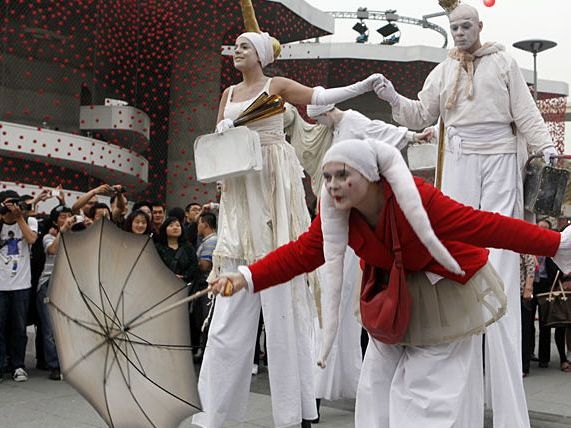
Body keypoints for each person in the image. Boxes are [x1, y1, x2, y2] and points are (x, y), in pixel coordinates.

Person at [208, 138, 571, 428]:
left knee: (429, 394)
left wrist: (556, 244)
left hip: (445, 291)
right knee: (375, 388)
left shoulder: (417, 198)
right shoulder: (336, 212)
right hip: (390, 295)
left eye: (342, 175)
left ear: (370, 175)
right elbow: (302, 253)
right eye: (327, 177)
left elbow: (485, 226)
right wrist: (245, 277)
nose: (333, 185)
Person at [193, 1, 386, 426]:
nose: (236, 50)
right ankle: (213, 414)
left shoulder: (276, 84)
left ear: (261, 54)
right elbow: (215, 142)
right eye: (235, 46)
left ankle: (294, 410)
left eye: (244, 46)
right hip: (239, 187)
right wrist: (221, 133)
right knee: (228, 318)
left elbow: (317, 98)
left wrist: (361, 86)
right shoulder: (228, 94)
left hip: (272, 186)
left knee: (282, 308)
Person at [373, 3, 558, 427]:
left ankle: (511, 412)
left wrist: (546, 145)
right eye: (453, 27)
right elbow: (422, 114)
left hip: (499, 159)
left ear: (480, 26)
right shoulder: (442, 71)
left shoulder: (505, 63)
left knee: (500, 261)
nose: (458, 32)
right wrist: (392, 99)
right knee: (457, 260)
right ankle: (460, 408)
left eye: (465, 26)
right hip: (458, 159)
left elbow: (526, 112)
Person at [0, 190, 38, 383]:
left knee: (19, 328)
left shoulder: (29, 221)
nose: (12, 207)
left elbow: (32, 240)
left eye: (15, 202)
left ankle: (18, 366)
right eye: (8, 203)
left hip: (21, 285)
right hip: (1, 285)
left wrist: (19, 217)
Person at [36, 205, 76, 381]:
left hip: (68, 284)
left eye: (69, 216)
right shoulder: (48, 236)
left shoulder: (76, 236)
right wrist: (63, 230)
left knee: (67, 327)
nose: (67, 219)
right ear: (54, 221)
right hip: (49, 283)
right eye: (62, 217)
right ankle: (54, 365)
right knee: (50, 328)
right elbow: (52, 250)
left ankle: (68, 364)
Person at [154, 217, 199, 287]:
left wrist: (184, 276)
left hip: (184, 285)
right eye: (171, 226)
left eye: (178, 226)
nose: (175, 228)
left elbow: (194, 265)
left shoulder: (188, 247)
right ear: (164, 229)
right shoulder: (157, 248)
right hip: (162, 284)